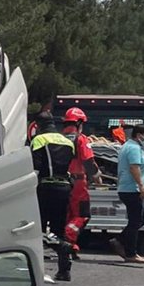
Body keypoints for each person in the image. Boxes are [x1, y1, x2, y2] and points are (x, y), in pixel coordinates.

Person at [29, 117, 76, 281]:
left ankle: (35, 269)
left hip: (45, 187)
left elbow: (34, 168)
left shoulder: (39, 139)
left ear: (38, 125)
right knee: (58, 228)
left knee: (37, 229)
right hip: (64, 187)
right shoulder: (67, 141)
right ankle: (64, 270)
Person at [60, 108, 103, 261]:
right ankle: (67, 238)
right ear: (78, 123)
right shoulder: (81, 139)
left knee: (68, 215)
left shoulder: (59, 138)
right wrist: (97, 176)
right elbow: (89, 161)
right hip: (78, 182)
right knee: (82, 215)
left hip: (62, 182)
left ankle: (70, 246)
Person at [114, 124, 144, 264]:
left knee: (142, 219)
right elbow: (134, 167)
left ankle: (119, 240)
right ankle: (131, 252)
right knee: (136, 221)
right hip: (132, 189)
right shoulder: (133, 148)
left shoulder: (129, 146)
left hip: (128, 188)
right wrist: (141, 186)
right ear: (138, 135)